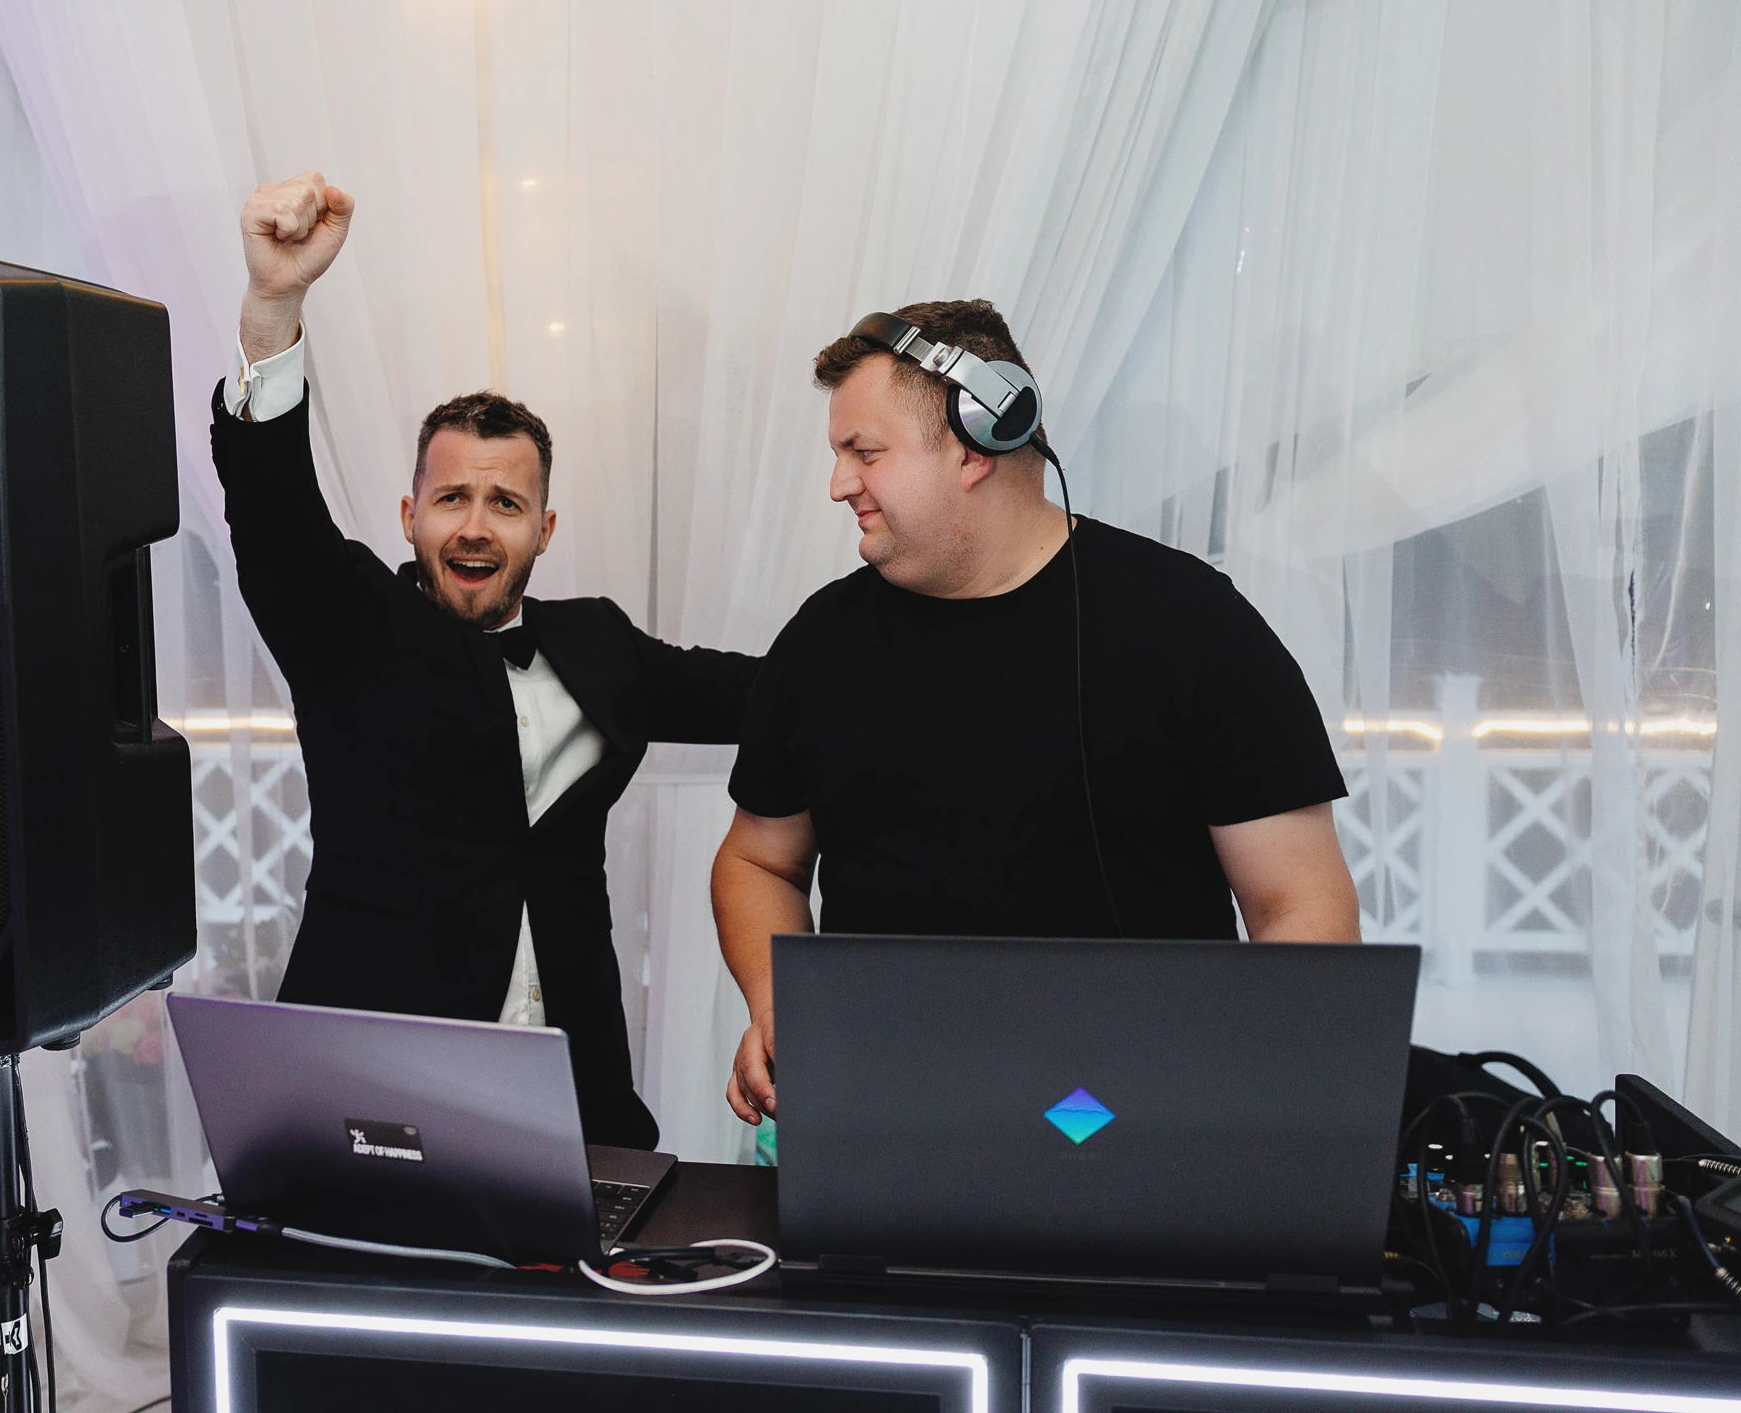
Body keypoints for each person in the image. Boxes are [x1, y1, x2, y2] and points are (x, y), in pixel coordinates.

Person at [211, 170, 759, 1149]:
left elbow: (773, 696)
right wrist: (273, 307)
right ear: (409, 516)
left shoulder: (598, 643)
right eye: (451, 499)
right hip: (374, 1097)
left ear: (544, 528)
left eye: (505, 503)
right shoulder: (351, 624)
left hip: (576, 1104)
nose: (474, 525)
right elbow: (272, 507)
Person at [714, 300, 1361, 1128]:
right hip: (881, 1119)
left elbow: (1301, 906)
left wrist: (1246, 1110)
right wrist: (780, 1003)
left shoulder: (1194, 626)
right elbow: (757, 860)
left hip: (1133, 1127)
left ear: (976, 442)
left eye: (865, 453)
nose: (839, 484)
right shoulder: (822, 639)